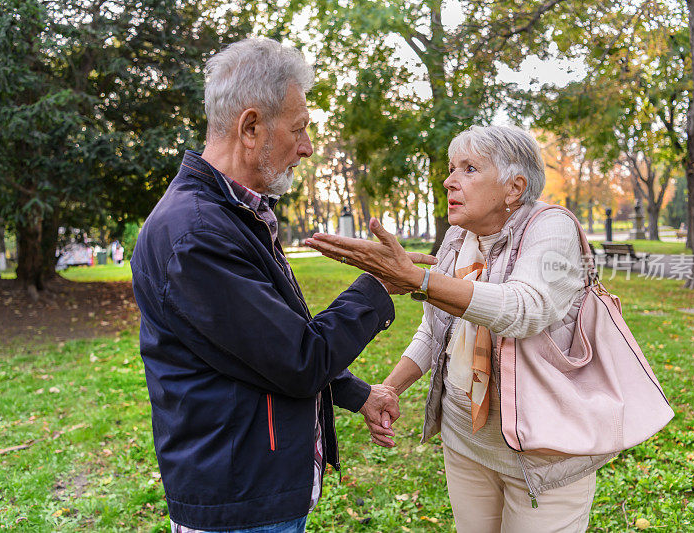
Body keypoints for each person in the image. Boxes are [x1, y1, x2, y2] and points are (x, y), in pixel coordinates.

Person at [130, 38, 434, 533]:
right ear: (251, 127)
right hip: (239, 502)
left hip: (254, 486)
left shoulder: (231, 214)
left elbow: (261, 345)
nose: (308, 147)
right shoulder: (196, 235)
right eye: (299, 130)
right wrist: (380, 284)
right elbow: (297, 359)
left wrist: (358, 394)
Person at [306, 125, 616, 533]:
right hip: (465, 442)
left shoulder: (550, 227)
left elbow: (524, 309)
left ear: (514, 187)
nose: (449, 180)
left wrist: (420, 281)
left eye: (469, 169)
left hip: (543, 456)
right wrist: (389, 390)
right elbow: (436, 331)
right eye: (452, 168)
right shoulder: (457, 237)